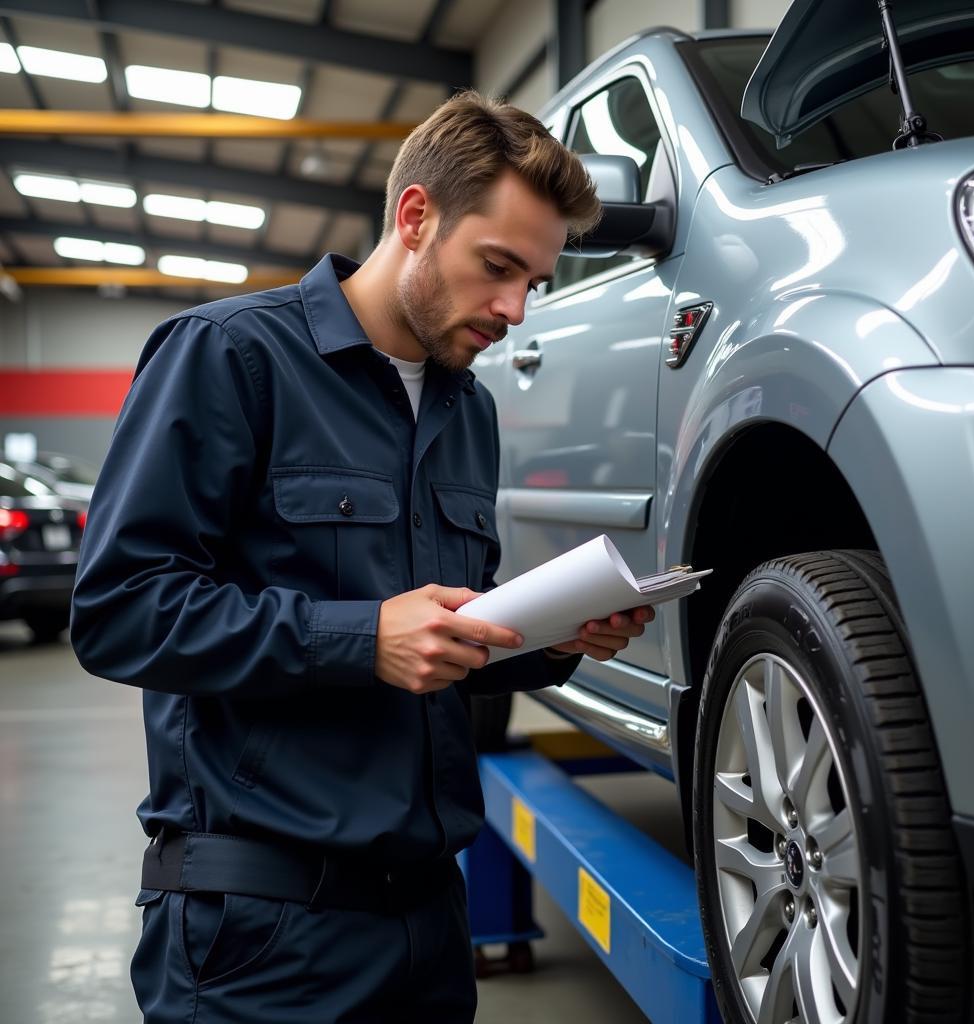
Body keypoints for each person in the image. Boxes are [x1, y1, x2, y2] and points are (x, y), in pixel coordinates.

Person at [71, 91, 655, 1023]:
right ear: (415, 217)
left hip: (429, 925)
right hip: (260, 938)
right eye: (497, 266)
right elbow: (119, 609)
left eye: (534, 284)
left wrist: (553, 636)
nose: (513, 310)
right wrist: (360, 638)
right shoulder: (230, 357)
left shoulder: (471, 412)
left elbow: (433, 648)